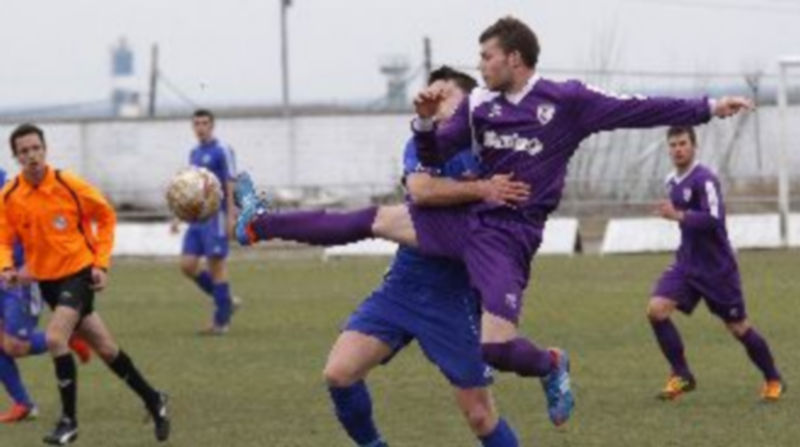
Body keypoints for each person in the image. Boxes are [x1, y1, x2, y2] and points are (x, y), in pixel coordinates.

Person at [233, 16, 751, 426]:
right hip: (469, 220)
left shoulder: (565, 101)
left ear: (515, 59)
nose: (479, 65)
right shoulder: (479, 104)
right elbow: (436, 152)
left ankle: (551, 365)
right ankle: (261, 224)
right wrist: (424, 122)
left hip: (509, 237)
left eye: (486, 56)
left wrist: (708, 106)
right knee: (374, 219)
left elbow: (636, 108)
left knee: (497, 347)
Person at [322, 66, 522, 447]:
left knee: (480, 415)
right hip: (404, 285)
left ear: (469, 104)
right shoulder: (418, 143)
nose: (435, 100)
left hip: (455, 296)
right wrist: (476, 191)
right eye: (430, 92)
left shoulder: (491, 151)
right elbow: (422, 191)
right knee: (339, 373)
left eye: (445, 94)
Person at [0, 124, 169, 445]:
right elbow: (3, 238)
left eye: (36, 148)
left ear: (45, 149)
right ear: (16, 157)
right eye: (24, 151)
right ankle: (154, 398)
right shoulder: (10, 196)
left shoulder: (68, 183)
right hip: (48, 282)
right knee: (106, 349)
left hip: (78, 275)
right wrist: (6, 266)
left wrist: (100, 264)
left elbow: (105, 216)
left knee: (54, 337)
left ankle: (69, 422)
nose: (31, 155)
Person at [649, 125, 784, 401]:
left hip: (717, 269)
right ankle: (681, 374)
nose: (678, 149)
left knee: (739, 328)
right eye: (673, 145)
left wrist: (679, 216)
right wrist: (678, 217)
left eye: (682, 143)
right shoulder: (671, 181)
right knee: (656, 310)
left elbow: (714, 220)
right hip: (686, 265)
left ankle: (773, 378)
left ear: (694, 146)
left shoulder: (705, 179)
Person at [0, 167, 91, 424]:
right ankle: (23, 403)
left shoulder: (8, 190)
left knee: (14, 346)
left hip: (19, 279)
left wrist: (28, 269)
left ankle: (69, 336)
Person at [172, 109, 240, 335]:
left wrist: (232, 216)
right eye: (197, 123)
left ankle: (221, 322)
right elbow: (188, 188)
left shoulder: (223, 150)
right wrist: (177, 216)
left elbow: (231, 183)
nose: (200, 127)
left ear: (212, 126)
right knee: (187, 265)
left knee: (216, 267)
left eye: (204, 123)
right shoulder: (194, 153)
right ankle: (227, 300)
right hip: (196, 218)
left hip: (216, 217)